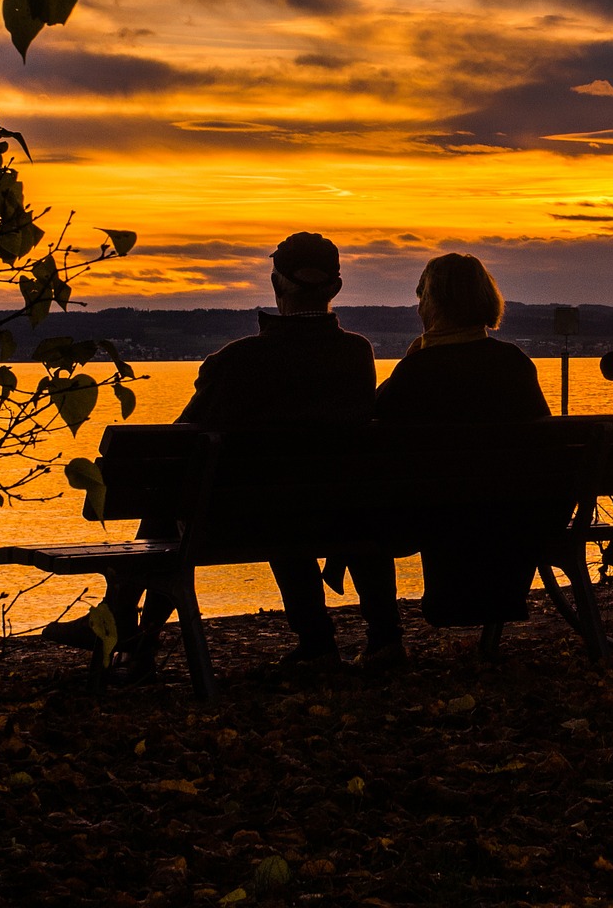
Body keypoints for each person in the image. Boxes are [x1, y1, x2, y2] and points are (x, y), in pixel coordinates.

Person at [43, 232, 400, 674]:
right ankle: (350, 641)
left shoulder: (240, 359)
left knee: (176, 494)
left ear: (276, 283)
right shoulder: (356, 354)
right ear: (336, 288)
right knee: (233, 498)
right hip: (341, 513)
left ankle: (129, 627)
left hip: (249, 520)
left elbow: (178, 443)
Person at [374, 253, 551, 644]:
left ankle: (383, 640)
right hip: (517, 516)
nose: (418, 306)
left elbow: (374, 422)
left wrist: (412, 359)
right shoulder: (515, 363)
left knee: (361, 516)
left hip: (441, 517)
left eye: (421, 297)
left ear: (433, 303)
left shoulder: (419, 371)